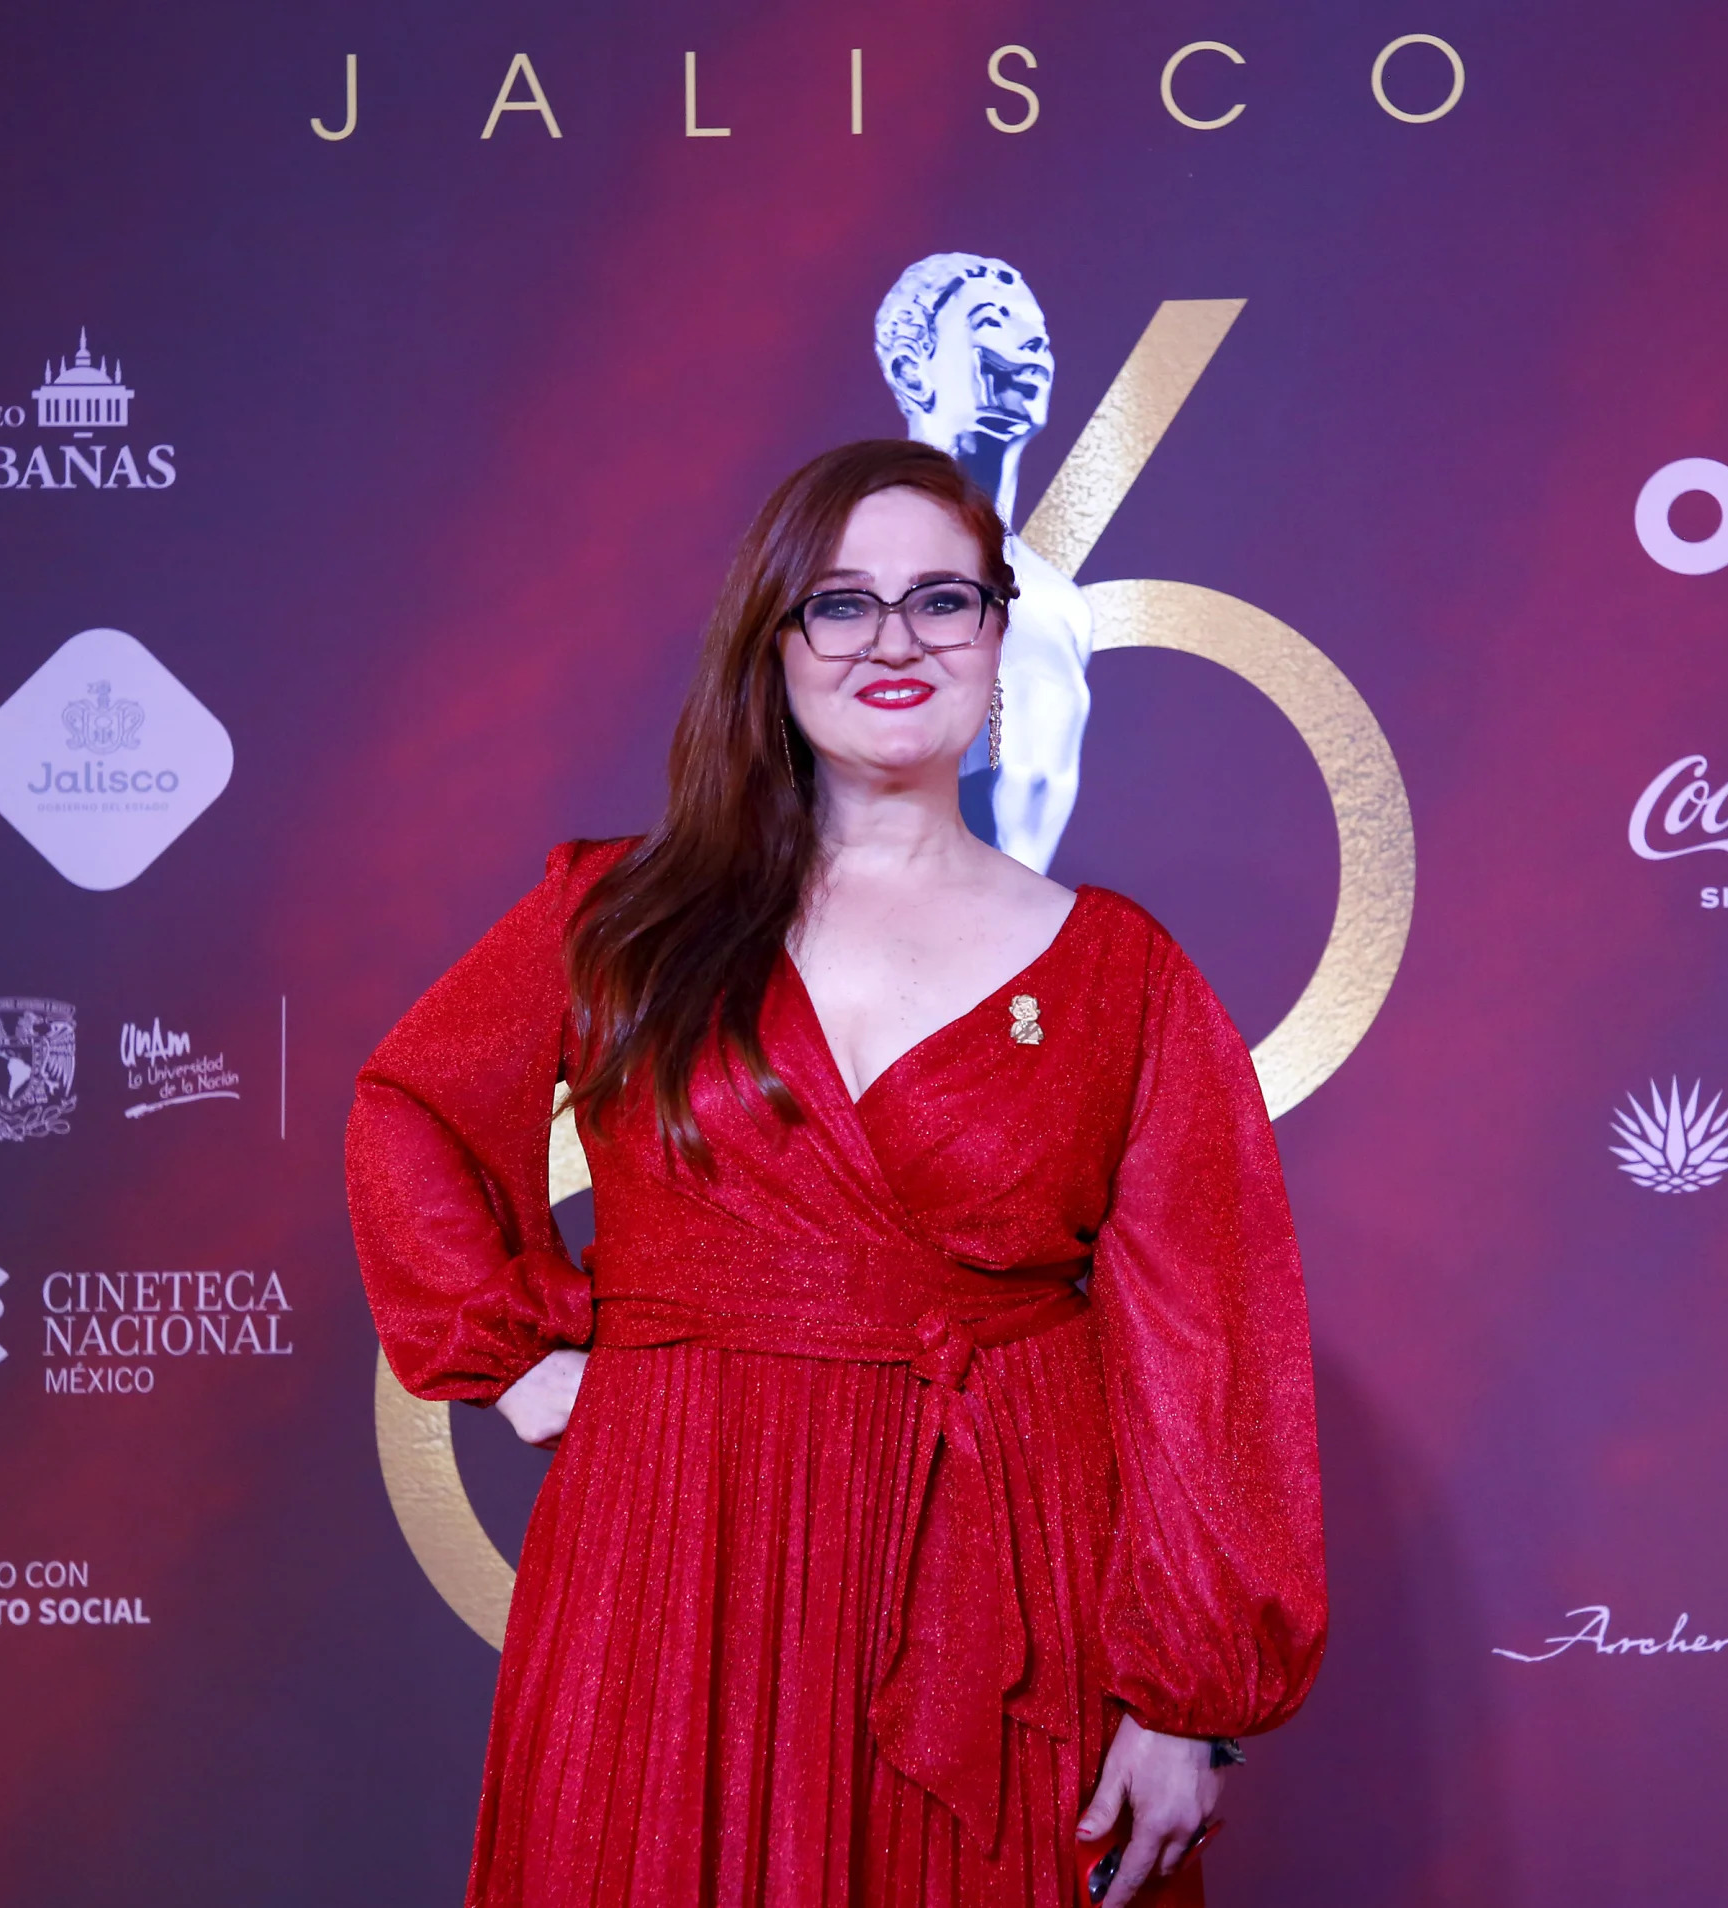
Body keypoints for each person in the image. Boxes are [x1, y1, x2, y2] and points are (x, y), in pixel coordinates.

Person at [348, 440, 1325, 1907]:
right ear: (773, 640)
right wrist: (505, 1357)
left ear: (1001, 635)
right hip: (678, 1549)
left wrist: (1190, 1704)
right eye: (841, 603)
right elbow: (409, 1107)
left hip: (1002, 1581)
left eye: (943, 599)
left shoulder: (1124, 975)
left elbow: (1212, 1344)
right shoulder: (619, 916)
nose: (894, 641)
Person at [875, 253, 1095, 877]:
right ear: (912, 370)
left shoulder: (1060, 605)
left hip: (1031, 945)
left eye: (1039, 334)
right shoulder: (854, 579)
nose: (1029, 346)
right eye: (992, 321)